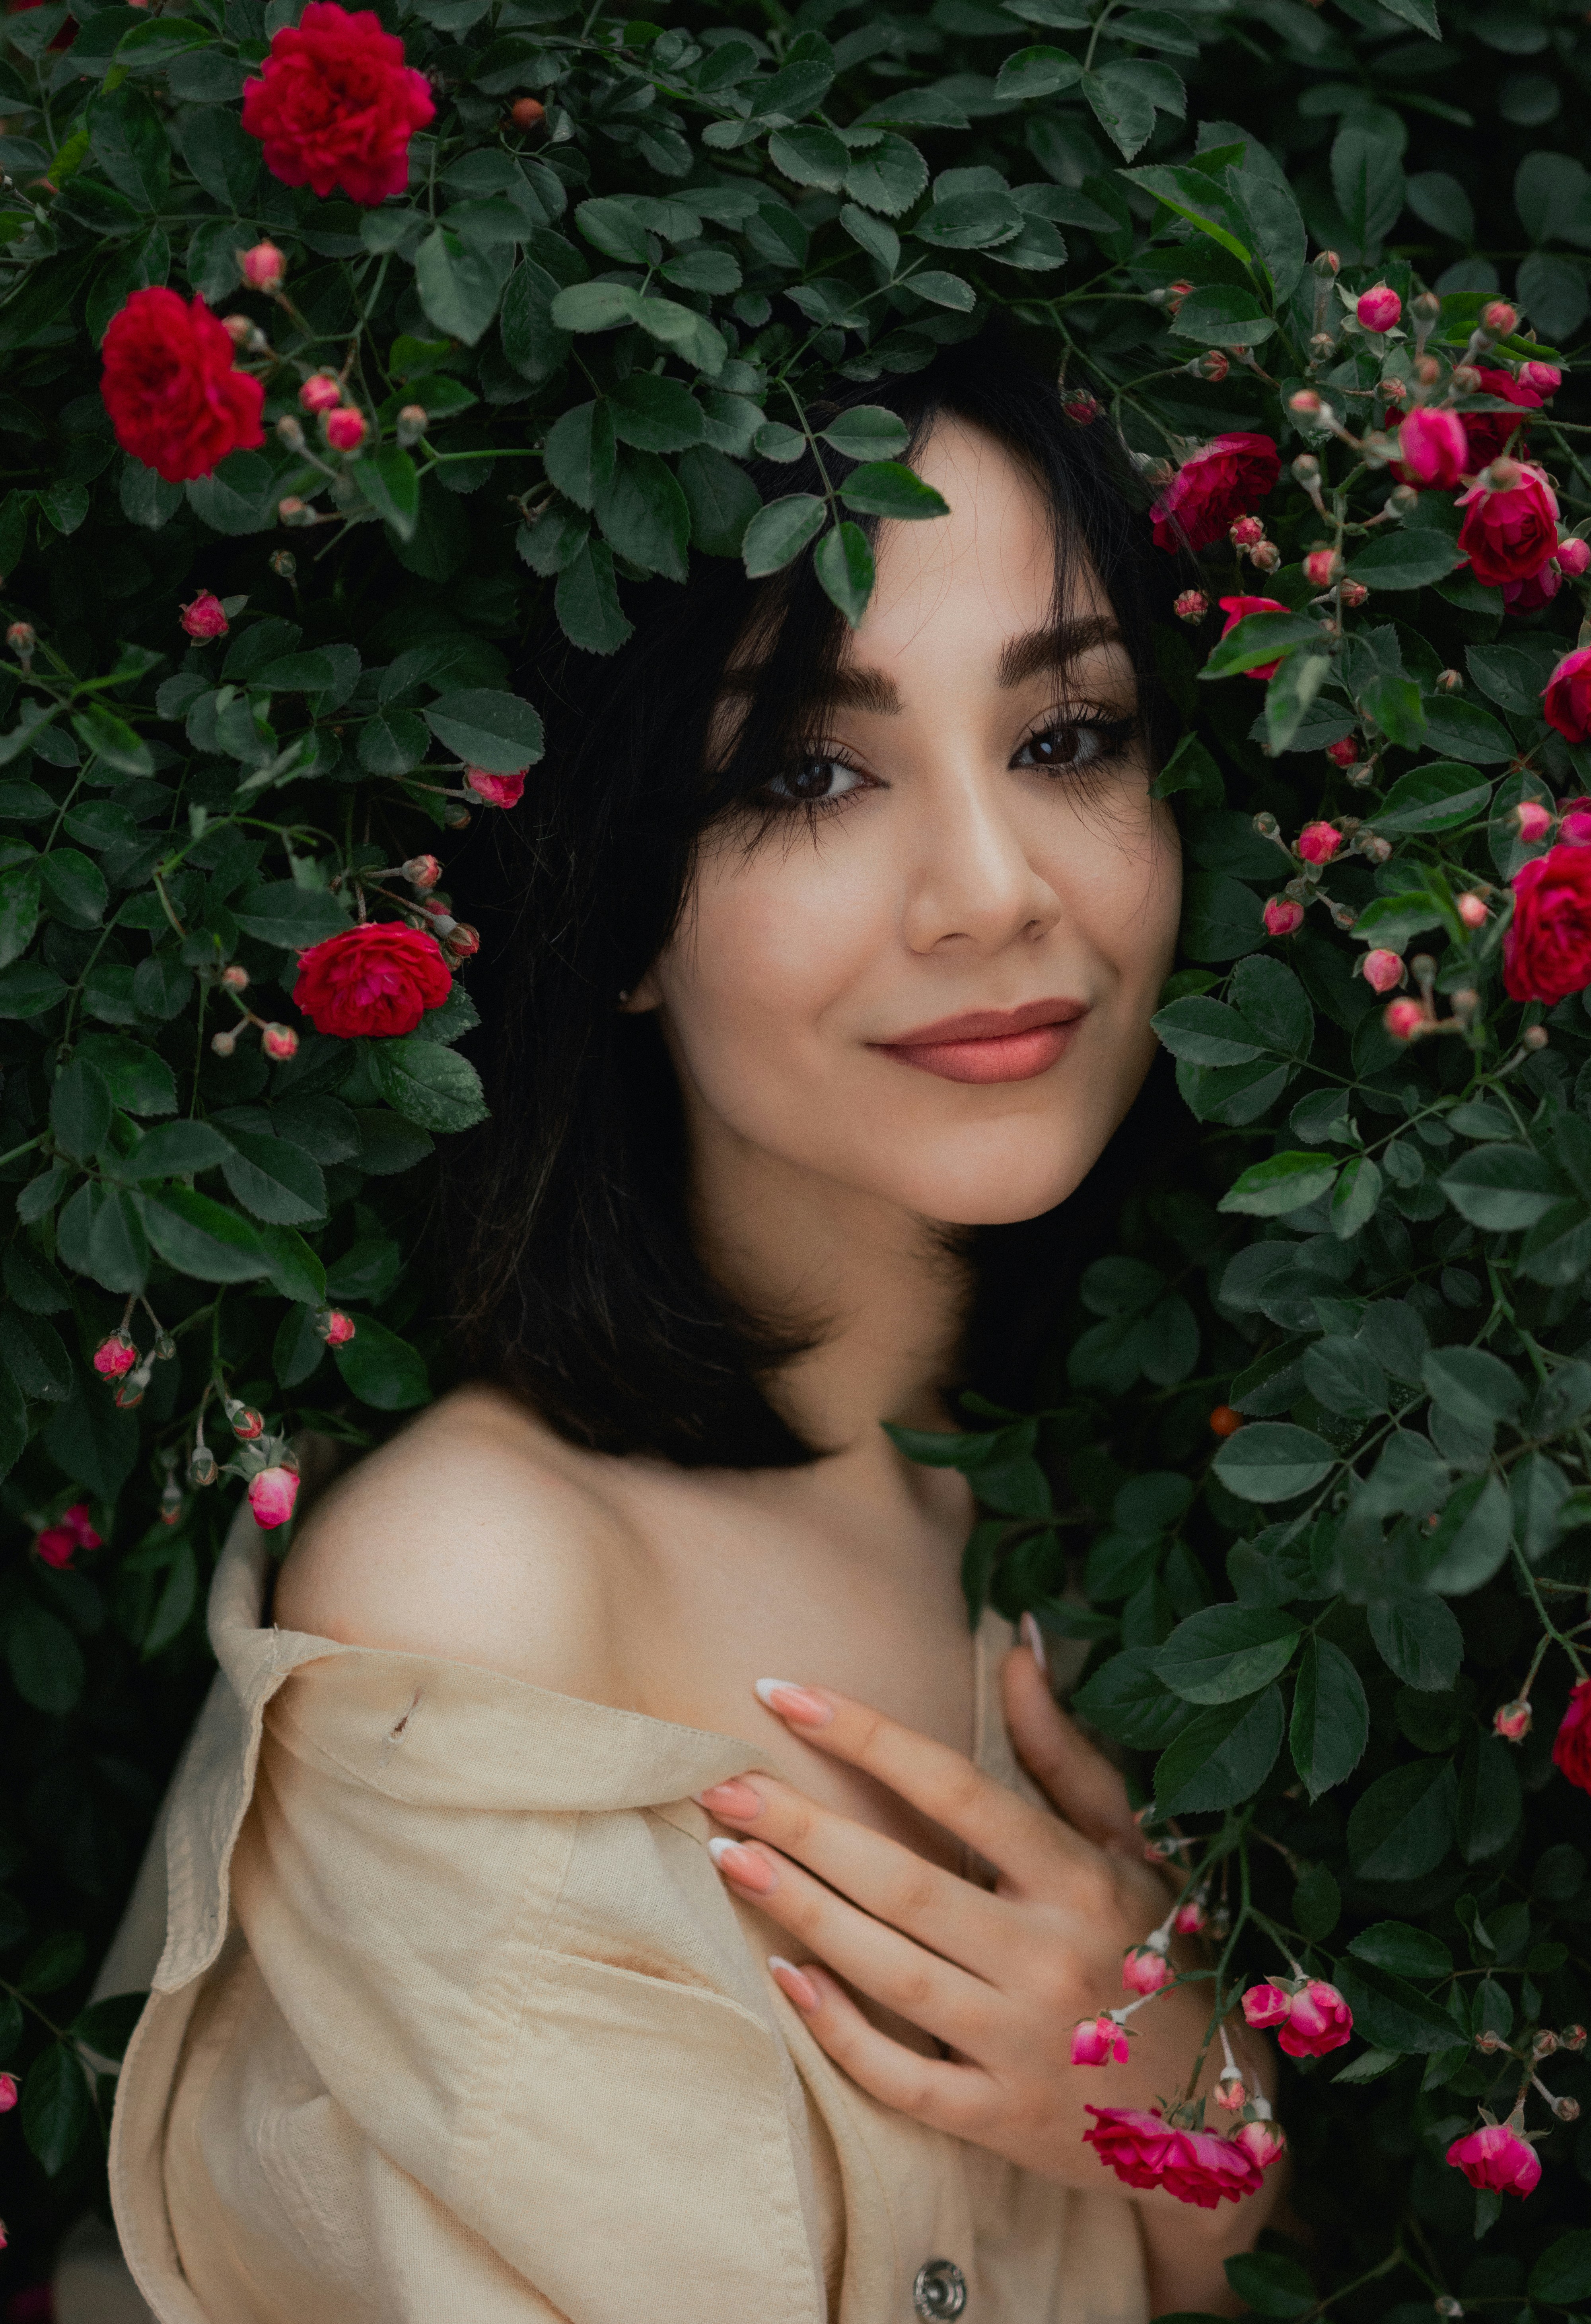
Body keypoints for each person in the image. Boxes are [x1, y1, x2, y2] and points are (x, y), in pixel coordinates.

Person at [102, 332, 1279, 2324]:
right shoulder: (479, 1602)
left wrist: (1175, 2105)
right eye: (806, 772)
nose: (994, 893)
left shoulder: (1209, 1509)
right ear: (617, 897)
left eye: (1068, 737)